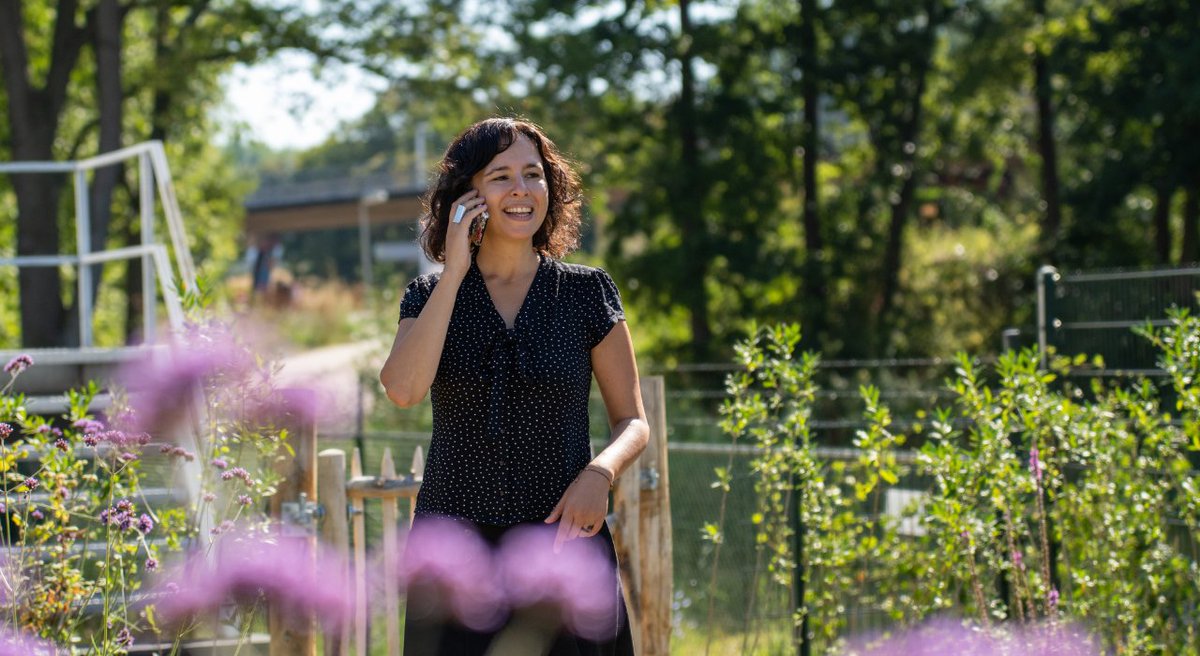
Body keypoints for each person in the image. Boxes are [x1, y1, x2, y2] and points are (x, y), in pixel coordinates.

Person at [379, 117, 648, 655]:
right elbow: (403, 390)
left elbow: (633, 420)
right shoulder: (427, 295)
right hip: (456, 557)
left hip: (564, 546)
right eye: (500, 176)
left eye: (533, 174)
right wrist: (454, 273)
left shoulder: (587, 293)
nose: (522, 190)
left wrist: (601, 473)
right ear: (468, 195)